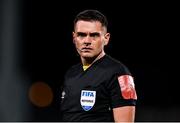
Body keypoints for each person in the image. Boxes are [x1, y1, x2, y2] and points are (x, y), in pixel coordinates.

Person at [60, 9, 137, 122]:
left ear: (106, 38)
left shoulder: (119, 73)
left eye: (94, 35)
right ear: (74, 37)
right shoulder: (71, 73)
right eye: (81, 35)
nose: (87, 41)